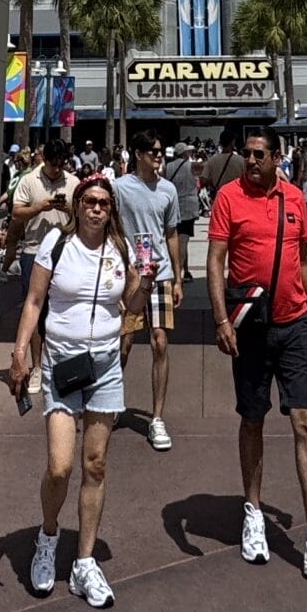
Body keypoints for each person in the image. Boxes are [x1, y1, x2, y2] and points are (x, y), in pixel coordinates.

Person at [207, 126, 307, 584]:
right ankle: (252, 510)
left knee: (306, 422)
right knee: (253, 418)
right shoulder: (228, 198)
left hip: (293, 325)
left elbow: (305, 259)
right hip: (250, 327)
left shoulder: (294, 199)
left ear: (276, 158)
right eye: (247, 154)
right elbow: (215, 261)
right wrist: (221, 319)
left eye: (258, 155)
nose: (250, 162)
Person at [6, 171, 143, 610]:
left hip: (104, 366)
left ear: (111, 209)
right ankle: (48, 536)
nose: (97, 208)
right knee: (61, 466)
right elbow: (33, 301)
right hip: (62, 365)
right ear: (78, 204)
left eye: (104, 202)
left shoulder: (119, 249)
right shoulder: (56, 245)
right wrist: (20, 352)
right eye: (90, 201)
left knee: (96, 465)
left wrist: (149, 283)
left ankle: (85, 560)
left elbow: (131, 309)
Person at [112, 131, 185, 450]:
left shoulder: (168, 189)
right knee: (123, 345)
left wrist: (178, 276)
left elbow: (171, 233)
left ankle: (156, 417)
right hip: (129, 276)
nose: (159, 156)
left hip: (161, 275)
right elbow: (110, 226)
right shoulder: (119, 187)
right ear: (138, 154)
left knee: (159, 341)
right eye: (153, 151)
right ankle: (111, 403)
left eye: (161, 151)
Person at [7, 137, 78, 288]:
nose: (57, 169)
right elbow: (16, 213)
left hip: (65, 251)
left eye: (61, 164)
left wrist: (69, 209)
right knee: (33, 302)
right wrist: (37, 208)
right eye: (53, 165)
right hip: (34, 251)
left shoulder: (74, 182)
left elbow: (83, 217)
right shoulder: (28, 180)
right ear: (44, 159)